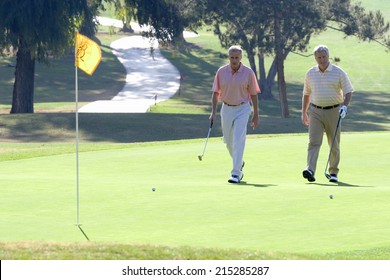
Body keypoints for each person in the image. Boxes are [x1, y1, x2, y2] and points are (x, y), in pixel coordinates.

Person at [301, 45, 354, 183]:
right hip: (315, 111)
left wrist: (345, 107)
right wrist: (304, 112)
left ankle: (333, 172)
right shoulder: (310, 73)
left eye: (324, 57)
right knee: (313, 141)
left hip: (334, 111)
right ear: (315, 58)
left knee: (334, 143)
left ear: (328, 56)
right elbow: (306, 94)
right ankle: (310, 169)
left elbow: (348, 91)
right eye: (319, 57)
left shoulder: (338, 72)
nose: (322, 60)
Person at [209, 45, 260, 183]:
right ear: (229, 57)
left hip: (243, 108)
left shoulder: (248, 73)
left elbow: (254, 94)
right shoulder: (221, 71)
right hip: (226, 108)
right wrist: (213, 112)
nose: (234, 60)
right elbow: (216, 93)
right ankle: (239, 161)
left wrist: (255, 113)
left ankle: (236, 173)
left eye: (236, 57)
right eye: (232, 57)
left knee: (238, 139)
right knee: (227, 141)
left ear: (241, 58)